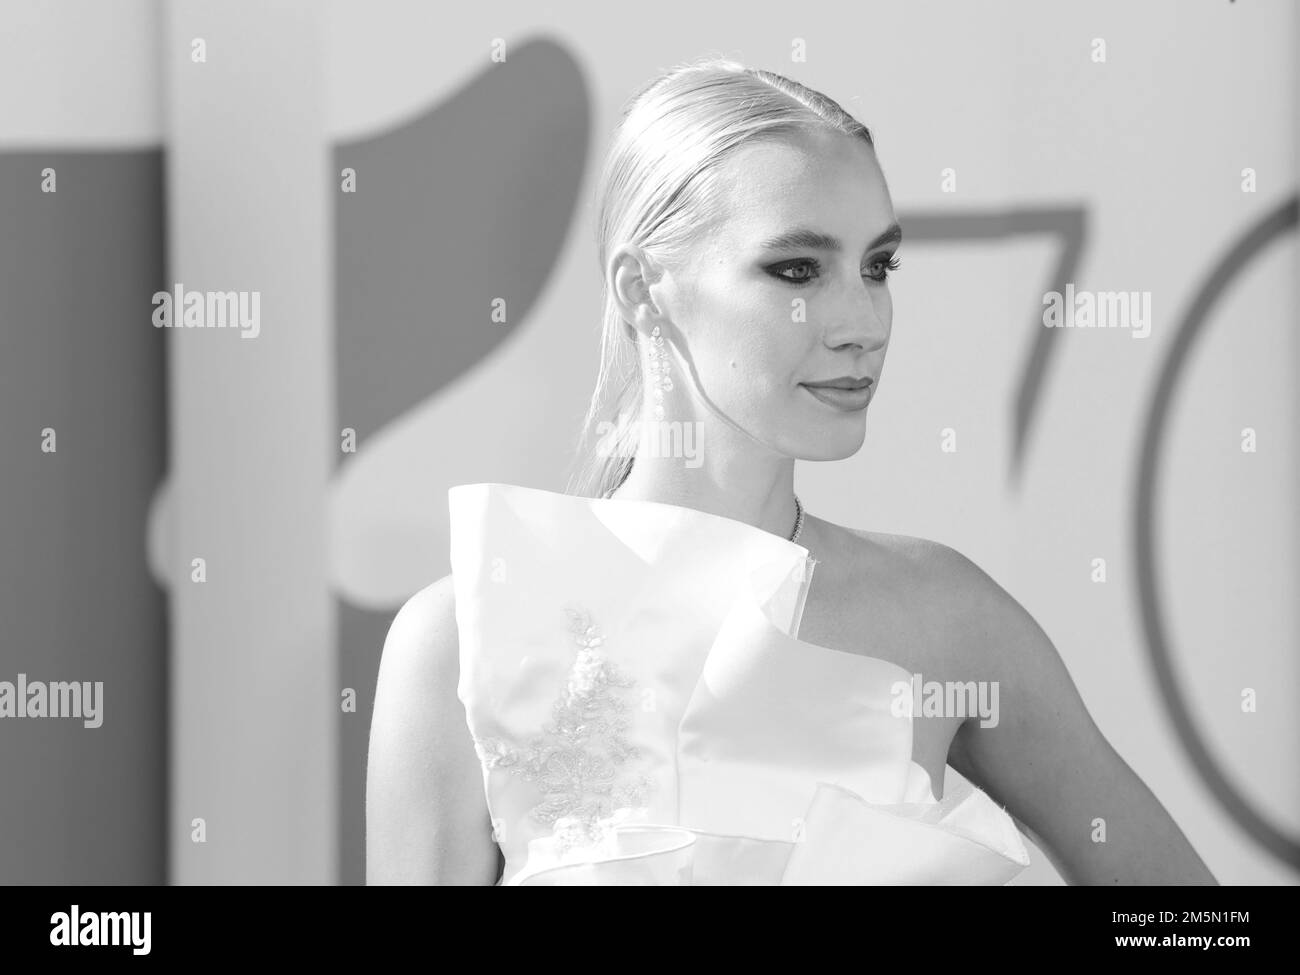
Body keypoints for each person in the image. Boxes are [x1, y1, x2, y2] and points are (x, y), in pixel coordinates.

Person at [366, 57, 1217, 885]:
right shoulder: (463, 639)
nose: (861, 321)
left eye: (878, 266)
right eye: (797, 270)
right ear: (641, 289)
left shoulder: (947, 618)